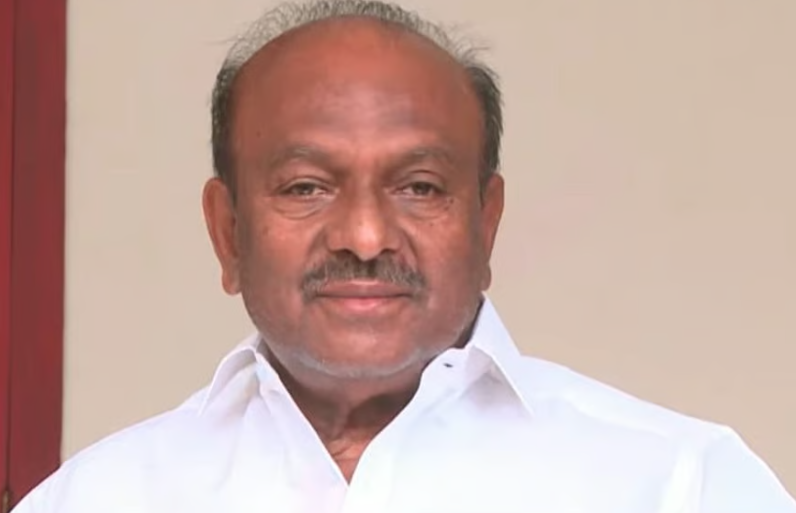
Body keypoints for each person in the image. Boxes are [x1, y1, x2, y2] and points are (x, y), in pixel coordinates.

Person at [14, 1, 796, 512]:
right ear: (227, 232)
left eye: (419, 187)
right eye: (306, 187)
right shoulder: (94, 499)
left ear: (486, 223)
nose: (364, 236)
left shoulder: (679, 484)